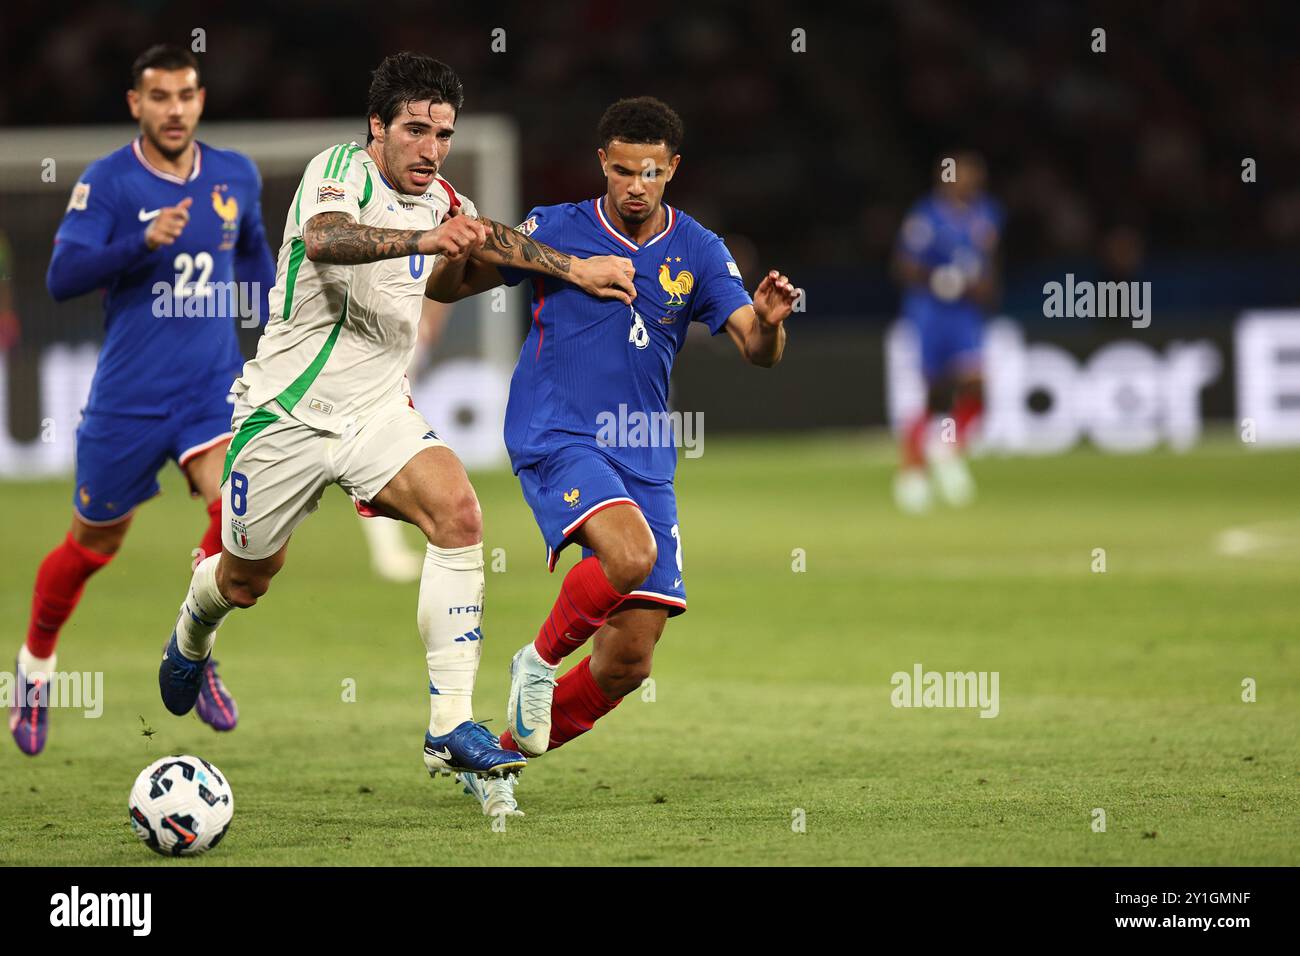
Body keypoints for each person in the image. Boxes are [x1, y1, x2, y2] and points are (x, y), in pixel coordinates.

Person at [155, 52, 637, 782]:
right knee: (248, 578)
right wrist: (426, 241)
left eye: (443, 133)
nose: (432, 148)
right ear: (377, 127)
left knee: (460, 514)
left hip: (376, 412)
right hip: (284, 416)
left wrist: (574, 270)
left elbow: (486, 246)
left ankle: (448, 726)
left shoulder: (440, 197)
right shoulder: (339, 170)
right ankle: (194, 628)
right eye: (416, 130)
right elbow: (326, 239)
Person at [427, 96, 798, 816]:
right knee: (627, 556)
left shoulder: (697, 249)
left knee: (629, 659)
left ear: (673, 170)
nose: (636, 185)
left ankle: (494, 759)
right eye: (624, 170)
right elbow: (454, 282)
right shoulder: (557, 226)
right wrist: (455, 253)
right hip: (557, 430)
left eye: (652, 173)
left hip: (644, 456)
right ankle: (535, 662)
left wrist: (774, 324)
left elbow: (757, 349)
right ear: (603, 162)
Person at [13, 44, 274, 755]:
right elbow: (63, 276)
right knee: (91, 545)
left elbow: (251, 254)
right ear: (136, 104)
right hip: (128, 398)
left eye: (185, 95)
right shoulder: (109, 184)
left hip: (208, 391)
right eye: (158, 97)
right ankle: (34, 670)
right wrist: (136, 241)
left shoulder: (234, 175)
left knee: (236, 516)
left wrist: (272, 322)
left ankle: (193, 646)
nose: (174, 109)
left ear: (201, 99)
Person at [891, 151, 1002, 512]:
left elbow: (989, 264)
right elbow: (903, 266)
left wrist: (983, 287)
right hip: (929, 313)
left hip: (964, 315)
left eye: (973, 175)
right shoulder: (926, 216)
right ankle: (911, 474)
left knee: (977, 386)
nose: (967, 181)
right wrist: (937, 279)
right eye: (960, 175)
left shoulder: (986, 214)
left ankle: (947, 447)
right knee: (933, 394)